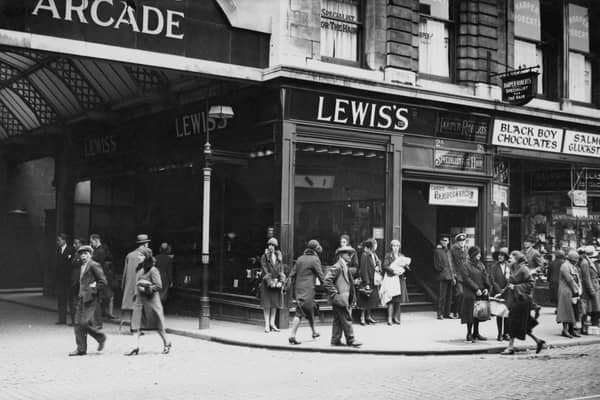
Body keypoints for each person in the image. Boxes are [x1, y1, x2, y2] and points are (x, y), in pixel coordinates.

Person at [125, 248, 172, 356]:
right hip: (140, 301)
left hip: (151, 302)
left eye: (141, 255)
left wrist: (146, 289)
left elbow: (159, 286)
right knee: (136, 325)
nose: (138, 257)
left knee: (158, 325)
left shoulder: (153, 270)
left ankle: (166, 342)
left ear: (146, 257)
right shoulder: (140, 269)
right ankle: (135, 346)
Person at [500, 251, 546, 355]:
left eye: (512, 257)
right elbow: (510, 284)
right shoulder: (513, 268)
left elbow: (531, 284)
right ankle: (538, 341)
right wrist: (502, 293)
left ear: (517, 258)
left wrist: (516, 288)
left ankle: (510, 347)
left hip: (521, 301)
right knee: (523, 325)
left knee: (512, 323)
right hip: (515, 300)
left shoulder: (524, 269)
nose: (509, 258)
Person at [69, 245, 107, 356]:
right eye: (81, 254)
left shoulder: (94, 265)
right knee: (77, 323)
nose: (83, 256)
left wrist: (93, 288)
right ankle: (81, 349)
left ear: (90, 254)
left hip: (91, 298)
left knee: (84, 322)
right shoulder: (81, 266)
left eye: (86, 254)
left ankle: (101, 337)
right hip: (81, 297)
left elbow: (103, 282)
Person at [323, 245, 362, 347]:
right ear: (341, 255)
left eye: (351, 254)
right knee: (346, 318)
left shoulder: (343, 265)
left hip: (341, 298)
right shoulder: (338, 266)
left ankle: (335, 340)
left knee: (338, 320)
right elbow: (327, 281)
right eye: (348, 254)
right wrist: (335, 293)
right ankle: (351, 339)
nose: (350, 256)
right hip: (340, 298)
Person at [288, 239, 325, 345]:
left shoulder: (300, 259)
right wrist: (329, 287)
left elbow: (292, 273)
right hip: (308, 290)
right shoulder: (315, 259)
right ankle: (292, 335)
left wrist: (286, 285)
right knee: (300, 311)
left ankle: (314, 332)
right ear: (315, 249)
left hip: (299, 289)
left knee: (310, 310)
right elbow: (321, 275)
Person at [460, 246, 490, 343]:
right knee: (470, 314)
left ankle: (476, 333)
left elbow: (485, 276)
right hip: (471, 293)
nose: (480, 256)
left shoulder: (481, 265)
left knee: (478, 313)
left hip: (480, 293)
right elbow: (466, 278)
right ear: (473, 255)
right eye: (478, 254)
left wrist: (486, 288)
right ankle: (469, 333)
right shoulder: (465, 265)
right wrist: (476, 288)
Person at [122, 234, 151, 325]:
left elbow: (125, 272)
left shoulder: (129, 255)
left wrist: (124, 285)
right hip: (142, 283)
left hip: (131, 284)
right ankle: (137, 326)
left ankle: (133, 325)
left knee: (134, 304)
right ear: (145, 244)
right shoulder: (147, 254)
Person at [259, 237, 286, 333]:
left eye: (272, 245)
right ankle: (266, 325)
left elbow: (281, 270)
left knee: (274, 304)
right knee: (267, 305)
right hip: (267, 284)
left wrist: (281, 281)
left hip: (277, 283)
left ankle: (272, 323)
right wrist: (270, 282)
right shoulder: (264, 257)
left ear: (275, 247)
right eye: (269, 245)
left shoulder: (279, 257)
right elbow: (264, 270)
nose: (270, 247)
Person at [382, 239, 410, 325]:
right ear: (391, 247)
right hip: (392, 279)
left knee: (398, 299)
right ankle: (389, 318)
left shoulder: (401, 256)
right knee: (391, 299)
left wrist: (406, 266)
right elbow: (385, 266)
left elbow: (407, 267)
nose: (396, 248)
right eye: (394, 246)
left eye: (397, 246)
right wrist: (393, 271)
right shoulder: (388, 255)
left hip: (400, 279)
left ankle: (395, 317)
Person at [89, 233, 115, 326]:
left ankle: (97, 322)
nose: (91, 244)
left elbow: (95, 264)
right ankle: (96, 321)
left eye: (91, 241)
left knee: (95, 300)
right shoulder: (99, 250)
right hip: (99, 278)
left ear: (96, 240)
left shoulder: (99, 251)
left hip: (98, 279)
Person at [556, 250, 582, 338]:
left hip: (572, 290)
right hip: (565, 290)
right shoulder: (565, 266)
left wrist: (578, 288)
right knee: (566, 310)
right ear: (571, 259)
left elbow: (576, 278)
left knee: (573, 310)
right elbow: (569, 279)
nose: (577, 260)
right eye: (576, 259)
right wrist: (576, 289)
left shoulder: (572, 266)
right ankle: (565, 330)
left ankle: (572, 329)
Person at [357, 238, 382, 325]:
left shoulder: (373, 254)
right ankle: (362, 317)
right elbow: (364, 270)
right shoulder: (365, 255)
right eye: (375, 244)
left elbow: (378, 263)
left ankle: (368, 316)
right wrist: (367, 283)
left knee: (371, 300)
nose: (376, 246)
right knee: (365, 299)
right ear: (371, 246)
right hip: (367, 281)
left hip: (373, 280)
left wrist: (378, 266)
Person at [489, 247, 510, 341]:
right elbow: (492, 280)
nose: (500, 257)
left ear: (505, 257)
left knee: (506, 314)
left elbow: (511, 279)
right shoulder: (494, 267)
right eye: (499, 255)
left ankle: (506, 333)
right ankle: (499, 334)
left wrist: (505, 290)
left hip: (507, 292)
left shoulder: (509, 266)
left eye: (502, 255)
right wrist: (499, 290)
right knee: (499, 314)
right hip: (497, 293)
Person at [433, 234, 455, 320]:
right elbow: (437, 265)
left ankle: (447, 313)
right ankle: (440, 313)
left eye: (447, 241)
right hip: (442, 276)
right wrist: (442, 270)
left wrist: (453, 275)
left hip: (450, 275)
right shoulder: (437, 251)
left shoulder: (448, 251)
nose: (445, 242)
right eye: (444, 240)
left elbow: (451, 264)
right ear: (441, 241)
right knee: (442, 296)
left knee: (449, 296)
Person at [578, 246, 599, 334]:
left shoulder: (589, 262)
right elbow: (586, 278)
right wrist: (591, 290)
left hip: (594, 287)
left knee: (593, 308)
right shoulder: (585, 263)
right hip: (591, 289)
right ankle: (585, 327)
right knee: (587, 309)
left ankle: (592, 325)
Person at [55, 233, 75, 325]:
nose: (57, 242)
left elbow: (71, 265)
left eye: (59, 240)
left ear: (64, 240)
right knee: (61, 300)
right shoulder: (58, 250)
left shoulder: (71, 250)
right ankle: (62, 319)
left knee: (71, 300)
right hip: (60, 279)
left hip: (68, 279)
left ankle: (74, 320)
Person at [450, 233, 468, 318]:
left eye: (463, 240)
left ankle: (461, 312)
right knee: (459, 293)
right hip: (457, 274)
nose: (462, 242)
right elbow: (452, 262)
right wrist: (453, 273)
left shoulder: (466, 249)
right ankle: (455, 311)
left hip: (466, 275)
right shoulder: (454, 249)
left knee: (464, 294)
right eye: (460, 241)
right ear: (457, 242)